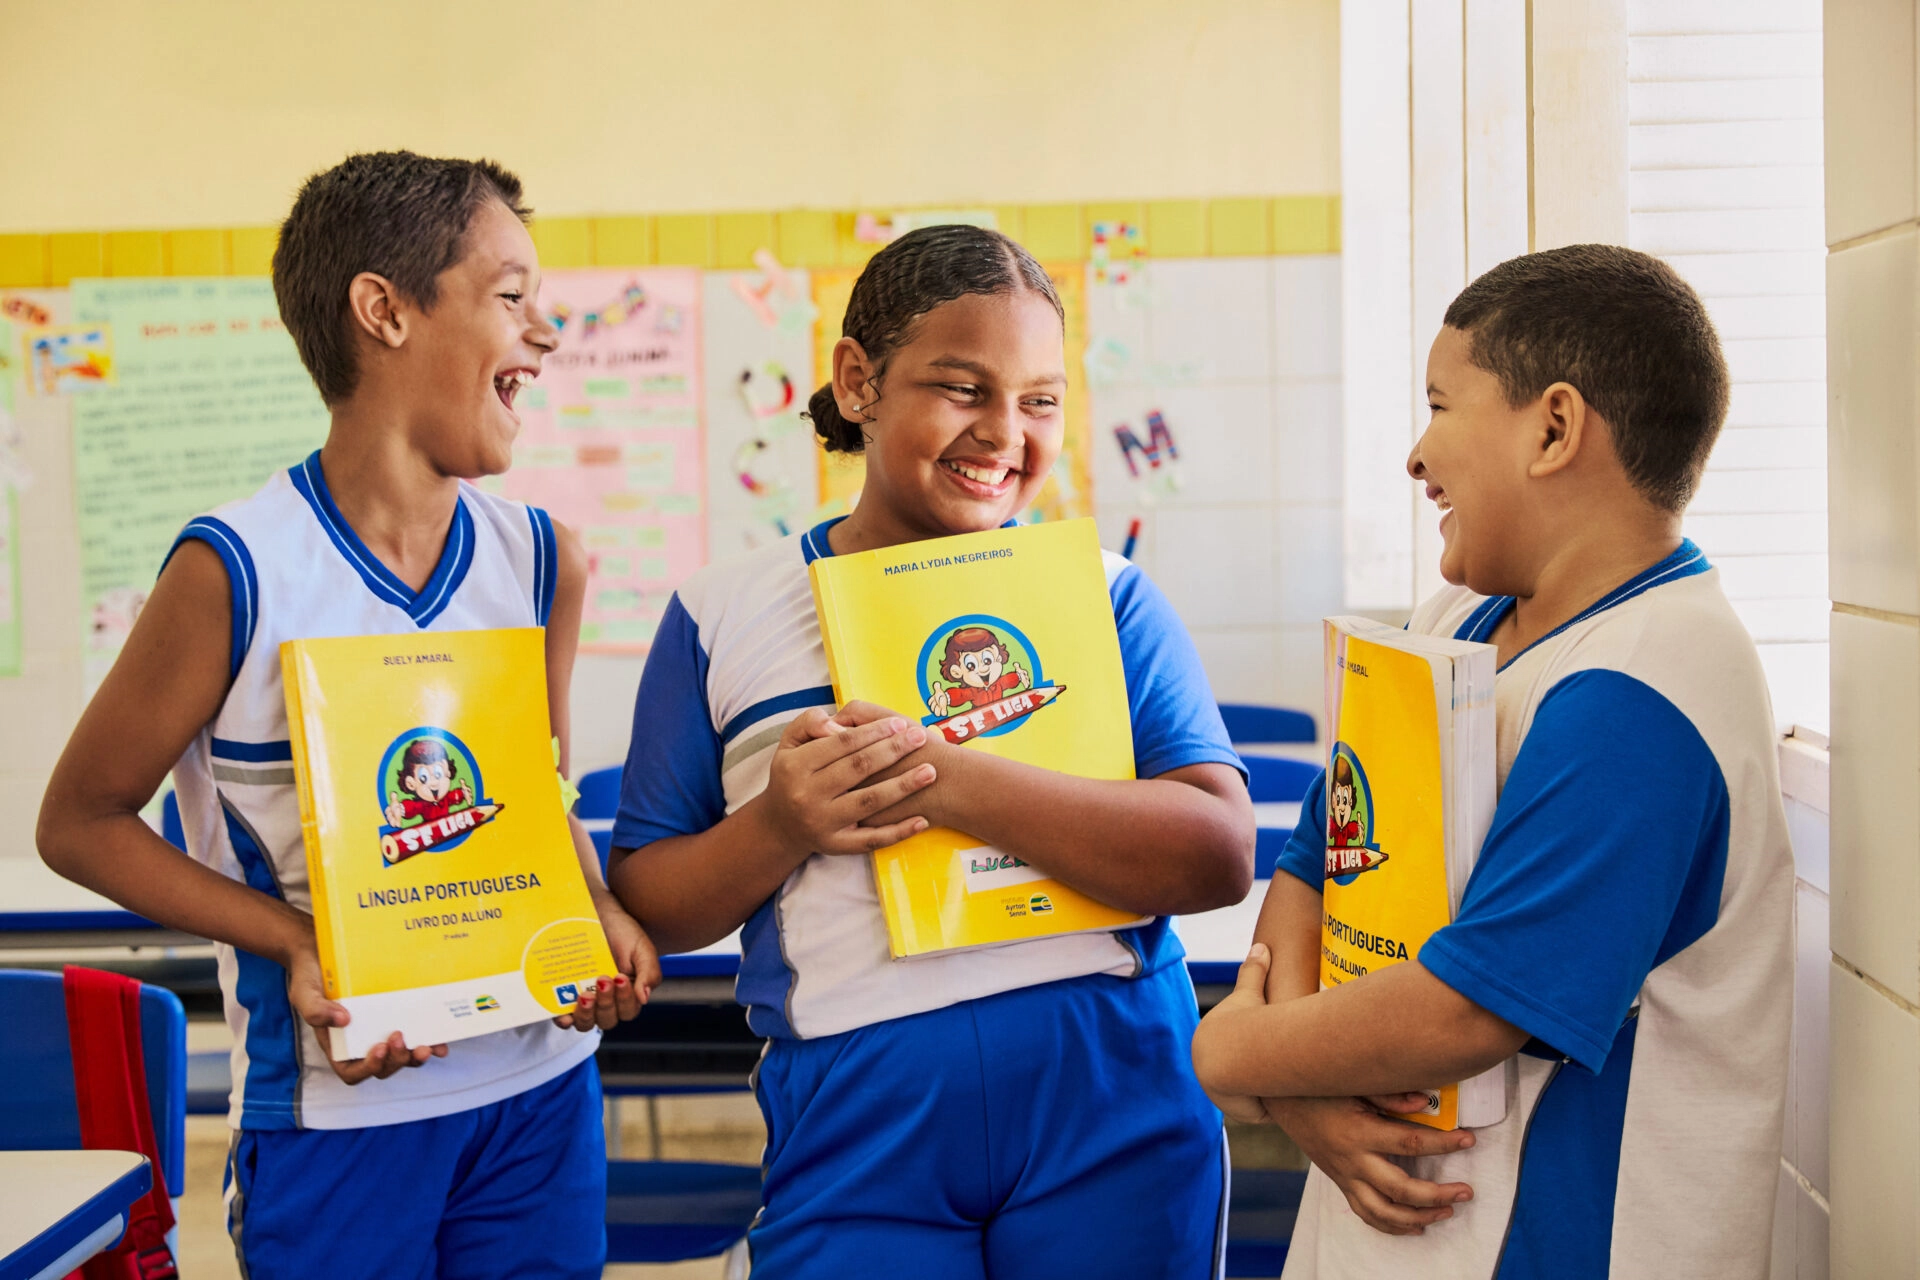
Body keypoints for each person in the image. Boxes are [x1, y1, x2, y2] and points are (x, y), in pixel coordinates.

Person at [36, 150, 659, 1279]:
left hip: (537, 1093)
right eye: (513, 295)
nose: (548, 332)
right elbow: (78, 821)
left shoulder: (541, 559)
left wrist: (597, 904)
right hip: (336, 1115)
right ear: (384, 310)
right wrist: (295, 941)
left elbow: (539, 794)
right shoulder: (234, 569)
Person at [608, 224, 1256, 1279]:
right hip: (860, 1112)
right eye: (963, 387)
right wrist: (779, 825)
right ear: (858, 381)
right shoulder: (720, 614)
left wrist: (949, 775)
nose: (1006, 431)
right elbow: (655, 896)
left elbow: (1217, 852)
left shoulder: (1109, 595)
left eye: (1041, 399)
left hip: (1112, 1087)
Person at [1190, 244, 1794, 1279]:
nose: (1416, 456)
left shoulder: (1648, 680)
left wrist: (1224, 1052)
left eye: (1439, 405)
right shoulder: (1454, 622)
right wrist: (1304, 1099)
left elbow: (1468, 1008)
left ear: (1553, 427)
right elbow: (1318, 866)